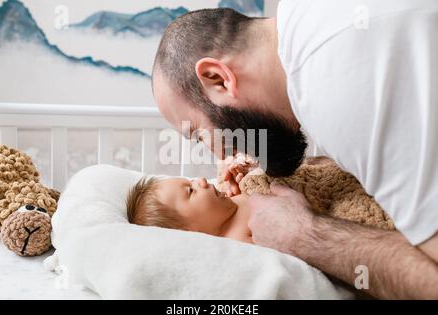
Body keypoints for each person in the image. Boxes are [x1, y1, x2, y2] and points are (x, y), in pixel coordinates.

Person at [151, 0, 438, 299]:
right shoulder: (307, 21)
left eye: (199, 134)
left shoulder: (334, 91)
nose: (220, 155)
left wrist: (305, 235)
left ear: (218, 78)